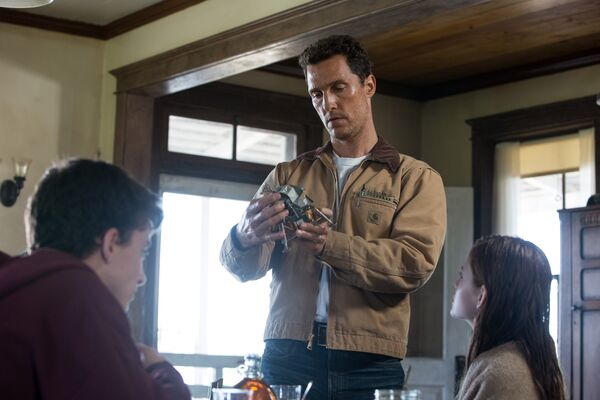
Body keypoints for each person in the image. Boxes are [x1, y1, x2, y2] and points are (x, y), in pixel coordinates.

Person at [220, 35, 446, 399]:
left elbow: (413, 264)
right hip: (286, 349)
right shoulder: (285, 175)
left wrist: (331, 245)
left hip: (369, 359)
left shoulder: (415, 178)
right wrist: (242, 238)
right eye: (317, 94)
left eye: (339, 87)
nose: (329, 103)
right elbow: (245, 268)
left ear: (368, 85)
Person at [0, 159, 190, 400]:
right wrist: (158, 368)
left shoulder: (21, 286)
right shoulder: (77, 296)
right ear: (110, 243)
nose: (142, 277)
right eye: (143, 251)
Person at [450, 235, 566, 400]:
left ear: (481, 295)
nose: (456, 285)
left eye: (461, 276)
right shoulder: (510, 362)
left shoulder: (501, 375)